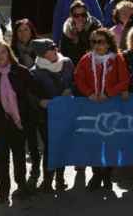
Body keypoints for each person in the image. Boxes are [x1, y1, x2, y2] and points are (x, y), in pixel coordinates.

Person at [0, 42, 35, 204]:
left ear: (9, 53)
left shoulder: (21, 72)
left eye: (3, 52)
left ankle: (21, 185)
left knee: (19, 156)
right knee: (2, 158)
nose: (0, 55)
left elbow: (32, 94)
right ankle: (3, 191)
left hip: (19, 122)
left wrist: (29, 118)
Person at [74, 28, 130, 191]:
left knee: (111, 142)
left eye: (101, 42)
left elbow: (124, 80)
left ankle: (107, 175)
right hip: (92, 107)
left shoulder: (117, 59)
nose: (98, 45)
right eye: (94, 42)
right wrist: (89, 93)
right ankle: (97, 174)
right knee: (94, 143)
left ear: (108, 43)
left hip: (111, 106)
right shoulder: (86, 59)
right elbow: (79, 78)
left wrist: (108, 93)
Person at [29, 39, 74, 192]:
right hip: (45, 116)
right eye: (50, 48)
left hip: (64, 112)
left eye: (55, 47)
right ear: (42, 53)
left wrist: (70, 90)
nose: (55, 50)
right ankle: (48, 180)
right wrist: (40, 101)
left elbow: (75, 81)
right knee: (50, 146)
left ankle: (60, 179)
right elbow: (29, 94)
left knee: (61, 145)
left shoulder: (67, 63)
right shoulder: (34, 72)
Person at [60, 0, 102, 66]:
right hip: (74, 65)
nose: (80, 18)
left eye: (83, 15)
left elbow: (97, 48)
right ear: (71, 16)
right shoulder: (67, 29)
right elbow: (64, 52)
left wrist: (81, 33)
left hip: (93, 64)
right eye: (76, 15)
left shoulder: (95, 26)